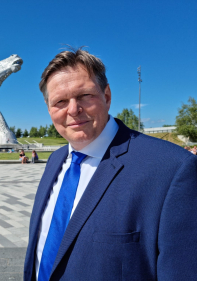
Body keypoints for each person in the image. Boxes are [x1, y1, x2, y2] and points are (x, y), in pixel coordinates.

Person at [23, 48, 197, 281]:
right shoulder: (55, 161)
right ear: (48, 109)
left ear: (107, 96)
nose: (73, 110)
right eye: (60, 102)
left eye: (85, 95)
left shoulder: (172, 169)